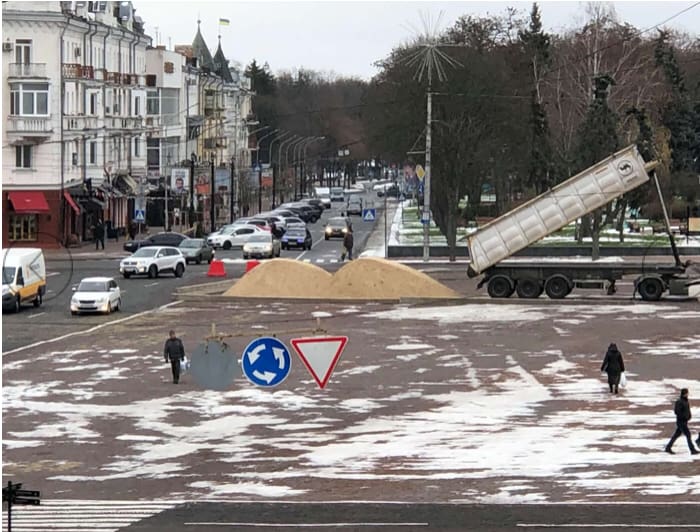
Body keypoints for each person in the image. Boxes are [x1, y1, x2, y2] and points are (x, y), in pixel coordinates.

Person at [665, 388, 699, 455]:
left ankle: (668, 448)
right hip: (681, 422)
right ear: (684, 393)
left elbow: (687, 410)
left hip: (684, 422)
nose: (688, 394)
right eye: (687, 393)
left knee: (676, 435)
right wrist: (684, 417)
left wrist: (689, 416)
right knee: (688, 435)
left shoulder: (685, 401)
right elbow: (677, 411)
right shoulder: (679, 401)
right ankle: (692, 450)